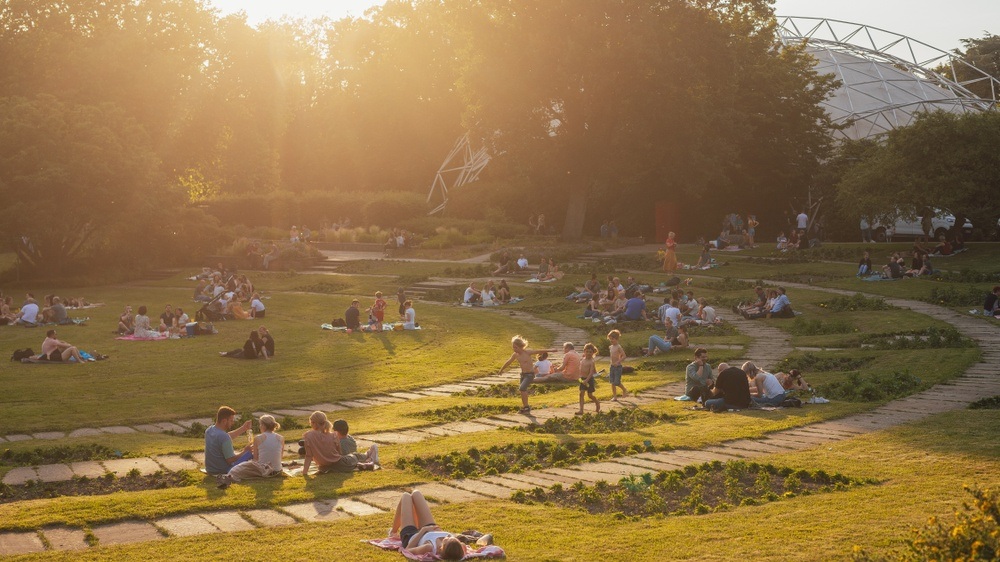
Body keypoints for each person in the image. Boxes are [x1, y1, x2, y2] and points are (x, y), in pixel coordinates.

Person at [389, 490, 468, 560]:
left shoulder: (429, 547)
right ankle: (415, 524)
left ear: (442, 548)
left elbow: (407, 550)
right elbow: (462, 546)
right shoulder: (456, 546)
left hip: (411, 536)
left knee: (406, 496)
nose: (448, 536)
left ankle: (393, 532)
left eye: (447, 539)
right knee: (416, 493)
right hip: (430, 529)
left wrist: (423, 530)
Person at [217, 414, 285, 489]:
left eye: (260, 424)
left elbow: (255, 459)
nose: (260, 426)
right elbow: (280, 457)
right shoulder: (281, 438)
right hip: (277, 470)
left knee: (236, 469)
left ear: (263, 426)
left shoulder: (258, 438)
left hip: (263, 470)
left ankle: (227, 479)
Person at [301, 411, 371, 475]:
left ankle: (368, 456)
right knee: (355, 455)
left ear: (313, 423)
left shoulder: (308, 436)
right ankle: (369, 454)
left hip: (324, 468)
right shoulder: (334, 436)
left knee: (353, 456)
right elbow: (339, 453)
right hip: (342, 465)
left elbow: (308, 456)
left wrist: (304, 472)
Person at [497, 335, 554, 413]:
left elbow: (538, 351)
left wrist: (551, 350)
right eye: (513, 347)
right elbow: (508, 362)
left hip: (530, 374)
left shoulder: (527, 352)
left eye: (516, 347)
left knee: (522, 388)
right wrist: (501, 370)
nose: (514, 349)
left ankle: (526, 407)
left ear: (521, 347)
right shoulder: (515, 355)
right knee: (522, 390)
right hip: (523, 375)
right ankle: (525, 407)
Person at [204, 406, 253, 476]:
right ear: (224, 421)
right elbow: (231, 460)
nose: (233, 423)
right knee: (250, 455)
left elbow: (225, 437)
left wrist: (243, 428)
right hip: (223, 470)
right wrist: (245, 451)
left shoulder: (209, 430)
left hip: (210, 469)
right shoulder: (224, 437)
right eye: (231, 420)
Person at [576, 343, 601, 415]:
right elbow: (580, 369)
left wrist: (586, 380)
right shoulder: (582, 360)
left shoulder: (591, 362)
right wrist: (579, 377)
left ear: (593, 353)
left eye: (590, 352)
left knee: (590, 395)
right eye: (587, 351)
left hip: (589, 380)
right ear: (584, 351)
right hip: (582, 379)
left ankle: (597, 402)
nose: (588, 353)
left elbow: (591, 373)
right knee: (581, 394)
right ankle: (581, 410)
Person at [607, 330, 627, 401]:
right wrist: (612, 363)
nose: (611, 340)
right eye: (610, 339)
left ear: (616, 339)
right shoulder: (611, 347)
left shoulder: (619, 347)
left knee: (617, 382)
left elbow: (624, 356)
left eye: (612, 339)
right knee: (612, 382)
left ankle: (624, 389)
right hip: (612, 366)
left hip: (618, 367)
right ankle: (615, 396)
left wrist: (618, 362)